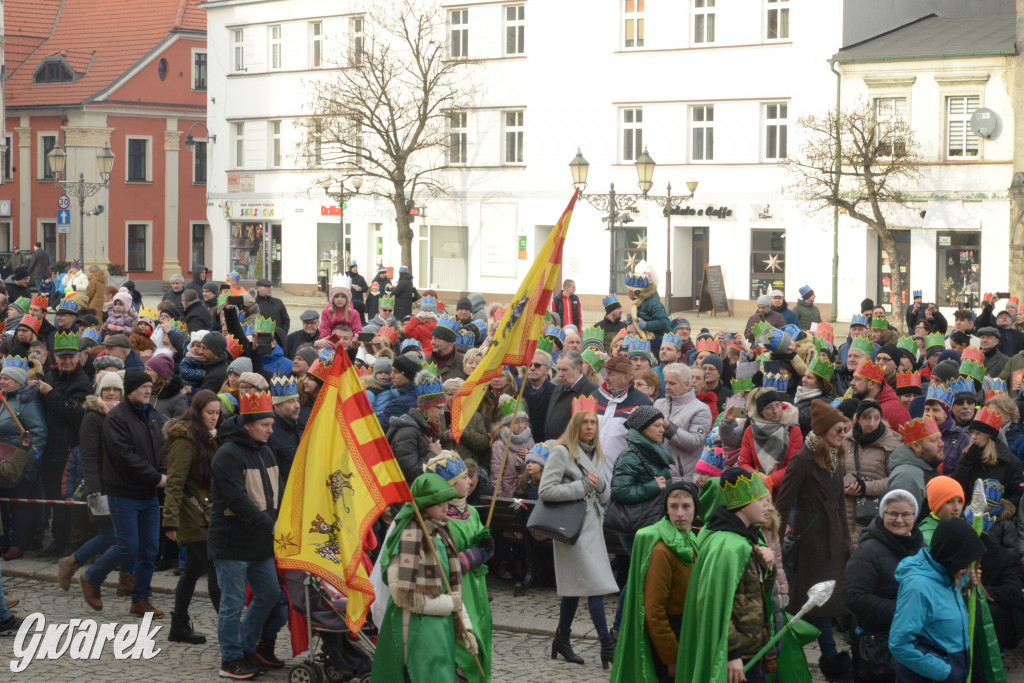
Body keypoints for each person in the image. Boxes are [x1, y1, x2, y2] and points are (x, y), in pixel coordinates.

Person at [370, 473, 474, 683]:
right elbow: (403, 596)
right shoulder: (408, 538)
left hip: (440, 633)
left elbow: (450, 587)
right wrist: (450, 604)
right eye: (439, 504)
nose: (445, 509)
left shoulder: (442, 535)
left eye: (446, 503)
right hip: (413, 634)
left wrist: (466, 627)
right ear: (424, 506)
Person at [776, 399, 853, 681]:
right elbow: (783, 503)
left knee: (823, 601)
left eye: (844, 429)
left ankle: (823, 656)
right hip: (810, 541)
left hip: (832, 537)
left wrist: (846, 539)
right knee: (817, 601)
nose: (843, 434)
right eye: (838, 430)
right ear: (823, 431)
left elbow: (840, 501)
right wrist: (775, 545)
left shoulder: (835, 457)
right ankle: (829, 658)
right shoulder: (803, 460)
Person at [80, 368, 166, 617]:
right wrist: (156, 476)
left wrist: (163, 471)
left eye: (150, 387)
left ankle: (140, 599)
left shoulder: (153, 416)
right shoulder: (116, 418)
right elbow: (124, 456)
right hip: (124, 493)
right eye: (143, 387)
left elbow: (163, 448)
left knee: (150, 549)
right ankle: (92, 577)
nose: (148, 391)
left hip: (148, 495)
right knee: (128, 546)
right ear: (131, 390)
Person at [676, 467, 776, 683]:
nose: (769, 507)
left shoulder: (746, 538)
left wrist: (767, 567)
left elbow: (753, 594)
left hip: (751, 651)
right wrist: (732, 654)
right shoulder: (728, 545)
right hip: (734, 659)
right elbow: (715, 604)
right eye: (762, 501)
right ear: (744, 504)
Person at [540, 397, 618, 669]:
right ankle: (606, 643)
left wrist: (598, 486)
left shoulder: (598, 453)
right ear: (575, 425)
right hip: (571, 528)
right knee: (595, 585)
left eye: (593, 422)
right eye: (584, 422)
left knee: (575, 588)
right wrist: (583, 486)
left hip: (592, 526)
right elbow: (546, 490)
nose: (590, 427)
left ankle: (561, 639)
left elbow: (605, 494)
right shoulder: (561, 452)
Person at [209, 391, 282, 680]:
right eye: (265, 425)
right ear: (248, 425)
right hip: (232, 542)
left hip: (260, 543)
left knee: (269, 594)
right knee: (233, 602)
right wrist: (271, 525)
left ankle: (247, 647)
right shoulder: (226, 455)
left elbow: (277, 491)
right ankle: (230, 659)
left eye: (271, 424)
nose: (270, 430)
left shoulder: (266, 450)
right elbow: (238, 501)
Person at [610, 481, 700, 683]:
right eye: (673, 506)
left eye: (686, 506)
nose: (679, 513)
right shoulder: (662, 550)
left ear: (695, 509)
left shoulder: (692, 540)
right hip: (672, 635)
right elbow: (654, 611)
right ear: (666, 509)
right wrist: (671, 657)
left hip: (686, 632)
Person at [424, 452, 494, 683]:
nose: (470, 482)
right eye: (463, 478)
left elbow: (483, 547)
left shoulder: (472, 512)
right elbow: (440, 561)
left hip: (476, 588)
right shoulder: (437, 519)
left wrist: (488, 548)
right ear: (449, 485)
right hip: (454, 589)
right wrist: (475, 555)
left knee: (481, 636)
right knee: (463, 646)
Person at [842, 489, 924, 683]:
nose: (899, 520)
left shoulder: (921, 549)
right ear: (882, 514)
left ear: (914, 516)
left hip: (915, 640)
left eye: (906, 514)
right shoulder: (868, 550)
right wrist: (903, 612)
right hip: (878, 645)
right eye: (893, 514)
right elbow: (853, 596)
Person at [889, 518, 984, 683]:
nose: (967, 568)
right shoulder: (917, 588)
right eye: (964, 563)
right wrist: (946, 671)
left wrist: (966, 582)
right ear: (952, 557)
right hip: (928, 677)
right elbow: (900, 643)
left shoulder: (947, 577)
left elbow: (942, 599)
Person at [162, 389, 222, 645]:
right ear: (198, 411)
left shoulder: (210, 437)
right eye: (210, 412)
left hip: (206, 513)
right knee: (215, 569)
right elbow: (174, 483)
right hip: (191, 515)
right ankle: (230, 629)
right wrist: (170, 521)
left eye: (217, 413)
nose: (214, 417)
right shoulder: (185, 439)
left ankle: (178, 625)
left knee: (193, 570)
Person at [58, 371, 127, 595]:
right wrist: (94, 492)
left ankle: (127, 580)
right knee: (110, 535)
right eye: (107, 389)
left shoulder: (125, 414)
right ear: (100, 391)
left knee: (129, 536)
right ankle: (73, 563)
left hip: (123, 484)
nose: (112, 393)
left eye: (116, 389)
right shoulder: (92, 417)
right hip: (101, 485)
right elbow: (88, 458)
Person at [609, 405, 673, 638]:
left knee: (645, 573)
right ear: (643, 428)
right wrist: (652, 486)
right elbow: (619, 491)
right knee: (640, 574)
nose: (661, 430)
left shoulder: (653, 449)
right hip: (635, 526)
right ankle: (619, 628)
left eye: (662, 425)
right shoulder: (631, 455)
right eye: (657, 425)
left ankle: (632, 626)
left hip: (651, 521)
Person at [37, 331, 92, 558]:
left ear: (78, 357)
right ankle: (58, 541)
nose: (67, 361)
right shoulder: (51, 375)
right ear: (55, 358)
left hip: (68, 453)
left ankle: (70, 544)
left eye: (71, 357)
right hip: (50, 449)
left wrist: (50, 394)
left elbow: (75, 414)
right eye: (62, 357)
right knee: (54, 499)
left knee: (67, 501)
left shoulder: (82, 382)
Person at [0, 356, 48, 561]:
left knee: (21, 507)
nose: (2, 381)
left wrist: (29, 465)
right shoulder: (2, 401)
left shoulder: (27, 403)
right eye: (1, 378)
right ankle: (5, 540)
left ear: (18, 381)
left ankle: (19, 543)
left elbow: (38, 433)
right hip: (3, 463)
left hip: (21, 463)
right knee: (3, 505)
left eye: (6, 378)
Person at [844, 399, 901, 548]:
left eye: (876, 418)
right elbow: (837, 472)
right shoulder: (847, 441)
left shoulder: (890, 445)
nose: (872, 423)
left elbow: (895, 480)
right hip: (846, 511)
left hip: (873, 512)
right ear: (858, 419)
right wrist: (842, 486)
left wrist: (865, 487)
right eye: (867, 418)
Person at [951, 407, 1022, 522]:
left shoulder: (1010, 463)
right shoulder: (967, 457)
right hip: (967, 516)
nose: (973, 437)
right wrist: (966, 462)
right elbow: (957, 486)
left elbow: (1018, 495)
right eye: (972, 433)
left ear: (989, 437)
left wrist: (998, 507)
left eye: (978, 433)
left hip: (998, 520)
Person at [386, 366, 446, 485]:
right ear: (425, 407)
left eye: (444, 408)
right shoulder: (408, 432)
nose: (442, 413)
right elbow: (411, 474)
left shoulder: (427, 427)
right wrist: (433, 454)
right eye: (439, 408)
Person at [596, 356, 652, 482]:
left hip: (621, 476)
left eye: (611, 374)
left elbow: (646, 444)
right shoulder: (594, 396)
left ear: (626, 377)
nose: (605, 378)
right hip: (591, 475)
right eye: (606, 373)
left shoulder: (642, 402)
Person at [654, 363, 711, 483]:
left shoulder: (701, 409)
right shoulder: (658, 404)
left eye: (672, 383)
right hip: (656, 474)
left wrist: (668, 427)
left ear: (686, 384)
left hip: (682, 478)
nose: (667, 387)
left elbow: (695, 442)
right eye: (666, 382)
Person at [738, 387, 803, 493]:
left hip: (786, 490)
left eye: (777, 405)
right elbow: (743, 463)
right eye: (769, 407)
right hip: (758, 489)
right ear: (761, 411)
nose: (776, 411)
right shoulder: (750, 431)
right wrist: (758, 479)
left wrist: (769, 480)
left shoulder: (793, 430)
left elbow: (793, 466)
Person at [887, 417, 944, 518]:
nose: (941, 444)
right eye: (934, 440)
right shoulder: (907, 476)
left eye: (940, 438)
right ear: (916, 446)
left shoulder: (926, 466)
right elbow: (901, 521)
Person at [544, 350, 599, 441]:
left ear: (578, 369)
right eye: (559, 369)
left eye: (564, 370)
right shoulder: (558, 388)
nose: (560, 374)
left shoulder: (592, 391)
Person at [489, 396, 533, 497]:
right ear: (507, 424)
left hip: (527, 491)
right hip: (508, 493)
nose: (520, 425)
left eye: (523, 422)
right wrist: (499, 497)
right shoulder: (499, 445)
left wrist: (530, 456)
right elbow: (496, 475)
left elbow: (538, 467)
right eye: (516, 422)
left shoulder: (530, 441)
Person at [918, 476, 964, 545]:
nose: (956, 508)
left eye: (959, 501)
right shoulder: (928, 538)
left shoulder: (961, 526)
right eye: (949, 502)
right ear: (936, 505)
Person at [522, 345, 555, 443]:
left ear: (547, 369)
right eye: (529, 365)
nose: (532, 368)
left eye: (537, 365)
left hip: (547, 444)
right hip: (523, 445)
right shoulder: (518, 392)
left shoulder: (556, 392)